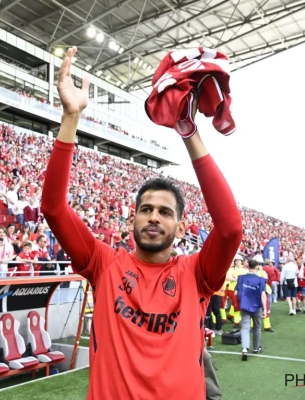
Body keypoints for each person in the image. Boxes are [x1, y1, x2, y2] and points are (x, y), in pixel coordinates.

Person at [40, 46, 242, 399]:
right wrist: (71, 118)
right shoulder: (104, 264)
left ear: (181, 228)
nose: (154, 217)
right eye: (146, 209)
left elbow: (230, 228)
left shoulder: (197, 275)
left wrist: (188, 130)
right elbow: (54, 209)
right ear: (132, 218)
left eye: (165, 212)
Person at [234, 259, 268, 360]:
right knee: (257, 327)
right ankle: (256, 348)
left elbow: (236, 293)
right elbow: (263, 295)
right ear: (257, 267)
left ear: (248, 266)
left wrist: (242, 299)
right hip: (257, 306)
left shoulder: (241, 278)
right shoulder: (261, 280)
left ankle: (245, 348)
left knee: (245, 327)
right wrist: (265, 309)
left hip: (244, 305)